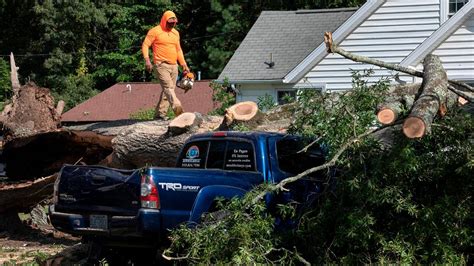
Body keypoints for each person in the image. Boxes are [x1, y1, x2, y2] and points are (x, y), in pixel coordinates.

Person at [142, 10, 190, 119]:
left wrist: (183, 64)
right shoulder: (155, 31)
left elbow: (178, 50)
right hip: (161, 65)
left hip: (174, 65)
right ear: (164, 21)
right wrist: (147, 60)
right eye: (170, 23)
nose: (172, 25)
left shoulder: (175, 33)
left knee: (169, 89)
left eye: (174, 23)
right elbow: (145, 45)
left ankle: (160, 115)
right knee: (169, 88)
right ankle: (179, 110)